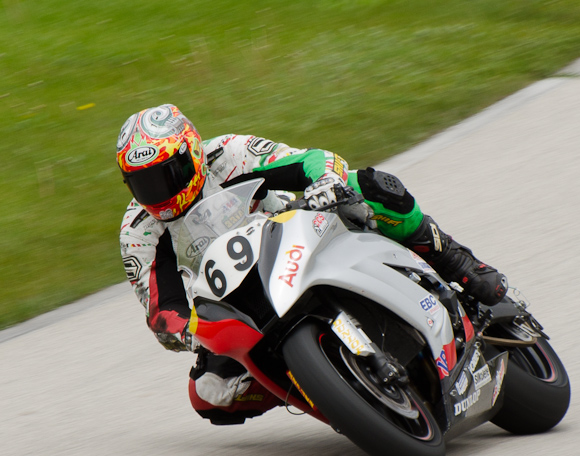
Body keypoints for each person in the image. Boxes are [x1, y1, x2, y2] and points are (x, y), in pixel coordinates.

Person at [117, 104, 507, 425]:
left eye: (167, 175)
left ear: (192, 153)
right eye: (143, 183)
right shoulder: (138, 231)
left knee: (371, 186)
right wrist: (190, 331)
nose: (159, 192)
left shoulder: (229, 155)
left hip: (299, 242)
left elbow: (312, 160)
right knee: (207, 393)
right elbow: (161, 310)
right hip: (244, 309)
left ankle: (456, 261)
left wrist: (325, 181)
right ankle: (313, 385)